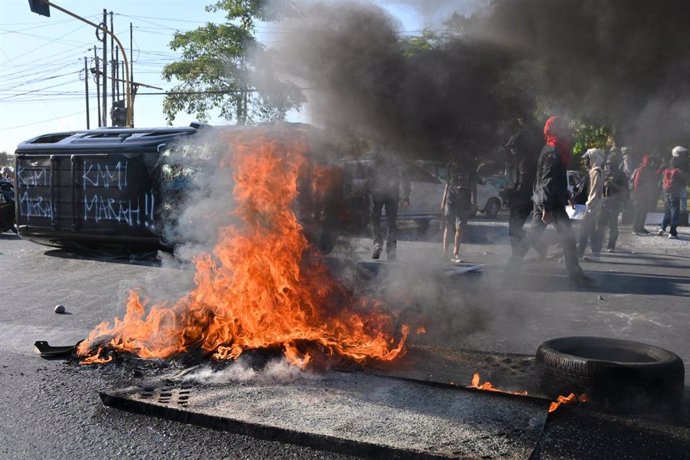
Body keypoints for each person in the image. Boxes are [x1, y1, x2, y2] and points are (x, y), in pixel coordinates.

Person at [521, 116, 594, 288]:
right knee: (533, 236)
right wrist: (546, 208)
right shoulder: (552, 151)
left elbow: (556, 179)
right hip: (547, 203)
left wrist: (567, 193)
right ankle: (511, 269)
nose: (567, 132)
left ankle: (576, 276)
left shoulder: (555, 149)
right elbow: (546, 180)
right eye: (564, 128)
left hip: (554, 201)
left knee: (568, 239)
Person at [503, 127, 542, 263]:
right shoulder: (519, 160)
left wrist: (510, 192)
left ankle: (517, 256)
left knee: (514, 229)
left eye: (514, 146)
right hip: (522, 199)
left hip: (523, 200)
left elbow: (524, 185)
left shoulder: (525, 161)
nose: (512, 150)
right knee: (515, 229)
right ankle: (538, 247)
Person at [365, 152, 410, 260]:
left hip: (378, 194)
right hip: (391, 194)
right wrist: (406, 196)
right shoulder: (395, 158)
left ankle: (378, 244)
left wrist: (368, 191)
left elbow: (368, 179)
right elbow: (405, 177)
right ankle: (391, 249)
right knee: (391, 222)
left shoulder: (375, 156)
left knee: (375, 220)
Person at [440, 160, 476, 263]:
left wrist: (474, 201)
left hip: (465, 201)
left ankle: (455, 253)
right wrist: (443, 200)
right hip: (451, 200)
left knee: (460, 228)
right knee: (448, 225)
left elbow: (474, 186)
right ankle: (445, 253)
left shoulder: (470, 166)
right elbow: (447, 185)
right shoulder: (450, 166)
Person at [577, 148, 605, 261]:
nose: (585, 162)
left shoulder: (596, 172)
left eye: (587, 159)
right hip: (594, 206)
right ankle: (595, 254)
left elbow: (595, 190)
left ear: (593, 159)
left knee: (584, 230)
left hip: (592, 206)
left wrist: (590, 205)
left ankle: (580, 254)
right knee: (590, 230)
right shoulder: (595, 171)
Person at [599, 149, 629, 252]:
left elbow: (625, 190)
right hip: (603, 202)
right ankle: (597, 245)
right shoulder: (603, 173)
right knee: (601, 225)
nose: (608, 166)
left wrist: (613, 185)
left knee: (613, 225)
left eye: (611, 163)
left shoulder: (621, 175)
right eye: (607, 163)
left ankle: (611, 246)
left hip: (615, 203)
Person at [657, 155, 686, 239]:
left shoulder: (665, 171)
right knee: (675, 213)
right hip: (675, 194)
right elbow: (683, 183)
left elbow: (660, 183)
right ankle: (672, 232)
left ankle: (662, 228)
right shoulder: (679, 171)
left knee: (667, 212)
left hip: (666, 193)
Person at [630, 153, 659, 234]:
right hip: (639, 193)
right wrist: (635, 193)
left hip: (645, 193)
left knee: (644, 211)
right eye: (648, 161)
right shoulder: (641, 169)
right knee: (639, 211)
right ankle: (635, 228)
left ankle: (640, 227)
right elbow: (636, 182)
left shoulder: (648, 169)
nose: (649, 163)